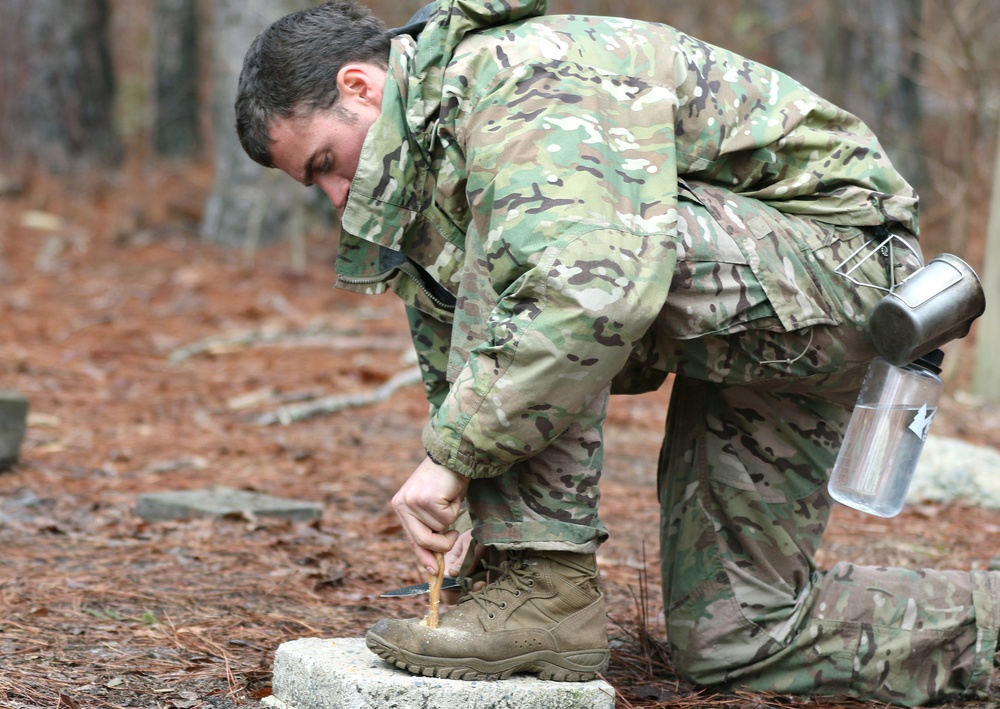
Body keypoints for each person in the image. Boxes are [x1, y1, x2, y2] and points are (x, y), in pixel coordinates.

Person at [235, 0, 1000, 703]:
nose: (335, 198)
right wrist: (479, 506)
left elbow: (587, 290)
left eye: (326, 164)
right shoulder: (434, 169)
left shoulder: (515, 78)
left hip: (845, 278)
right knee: (740, 636)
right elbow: (475, 352)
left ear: (360, 86)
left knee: (548, 270)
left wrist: (455, 456)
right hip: (760, 310)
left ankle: (545, 589)